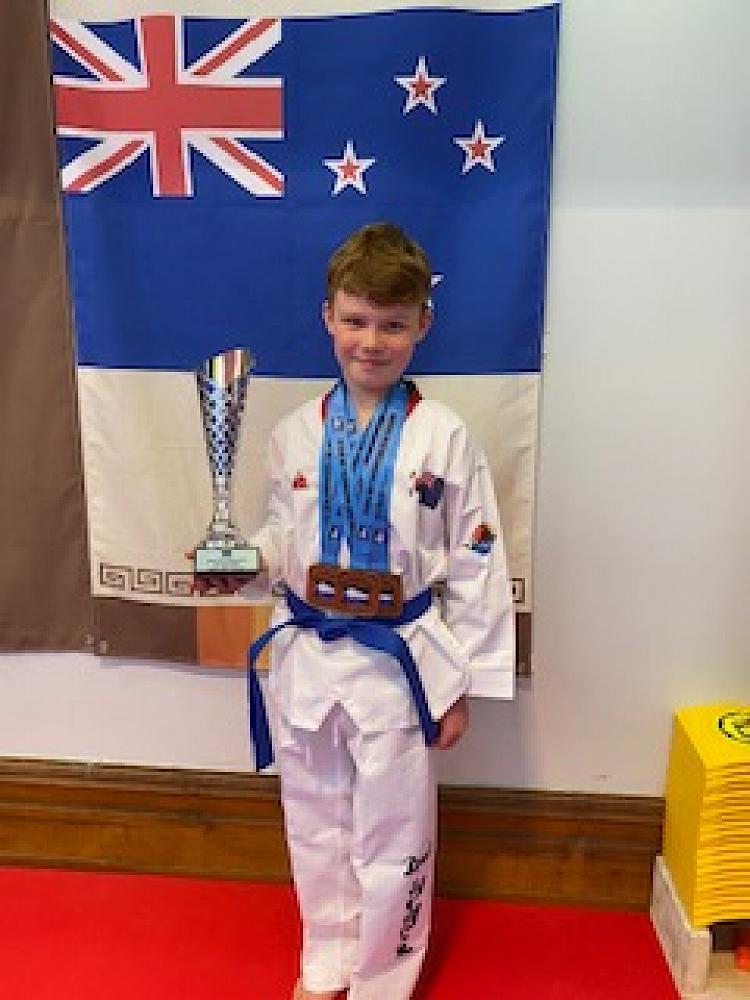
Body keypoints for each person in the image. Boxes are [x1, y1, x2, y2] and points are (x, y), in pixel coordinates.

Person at [244, 222, 514, 999]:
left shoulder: (445, 436)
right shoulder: (294, 433)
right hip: (306, 652)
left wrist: (462, 685)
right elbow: (279, 537)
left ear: (422, 325)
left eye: (392, 324)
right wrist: (242, 564)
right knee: (314, 816)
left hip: (400, 659)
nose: (371, 341)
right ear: (327, 316)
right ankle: (324, 959)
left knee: (394, 827)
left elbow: (477, 560)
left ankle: (382, 977)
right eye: (356, 320)